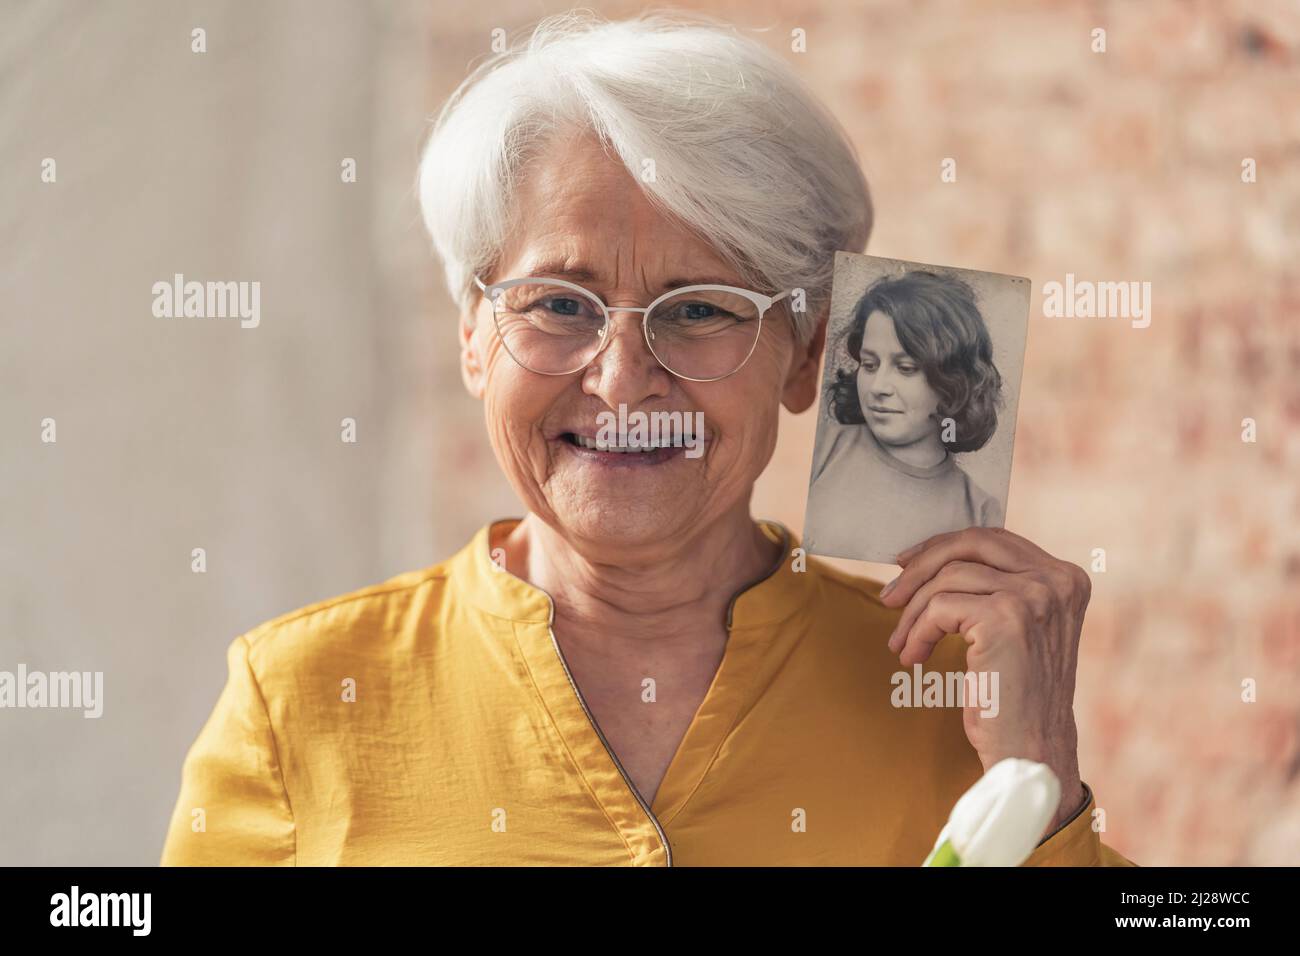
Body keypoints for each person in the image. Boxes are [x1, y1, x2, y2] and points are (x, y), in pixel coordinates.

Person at [160, 11, 1132, 866]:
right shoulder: (294, 703)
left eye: (700, 307)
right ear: (472, 338)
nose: (621, 377)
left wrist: (1033, 783)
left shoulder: (952, 690)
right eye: (557, 302)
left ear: (805, 357)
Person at [804, 270, 1006, 561]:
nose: (878, 387)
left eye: (906, 368)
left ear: (952, 381)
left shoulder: (981, 512)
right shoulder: (824, 449)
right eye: (870, 365)